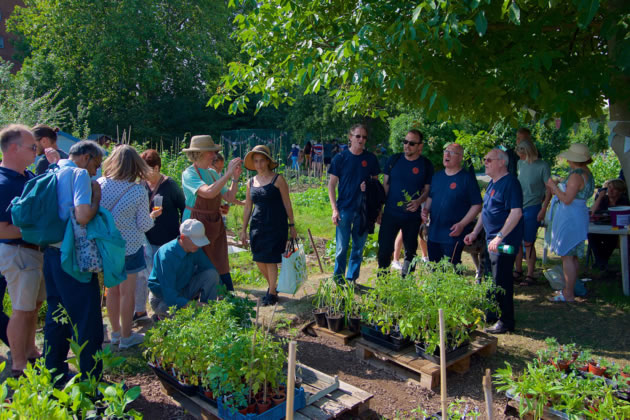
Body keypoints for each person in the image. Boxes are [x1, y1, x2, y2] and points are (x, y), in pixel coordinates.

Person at [43, 140, 105, 380]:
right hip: (72, 255)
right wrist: (96, 198)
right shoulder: (78, 174)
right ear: (87, 157)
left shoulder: (53, 168)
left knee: (56, 314)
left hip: (50, 252)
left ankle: (54, 371)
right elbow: (82, 216)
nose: (95, 172)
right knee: (87, 317)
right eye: (96, 165)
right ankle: (92, 377)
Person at [98, 145, 154, 349]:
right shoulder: (138, 191)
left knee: (111, 292)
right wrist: (153, 217)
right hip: (130, 247)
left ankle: (114, 334)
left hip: (107, 246)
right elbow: (143, 224)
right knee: (127, 293)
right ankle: (126, 335)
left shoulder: (100, 184)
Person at [0, 124, 45, 377]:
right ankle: (18, 365)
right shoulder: (3, 183)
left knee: (33, 306)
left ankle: (31, 352)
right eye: (32, 147)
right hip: (17, 253)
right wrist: (36, 231)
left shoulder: (25, 177)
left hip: (33, 252)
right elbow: (1, 230)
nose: (35, 151)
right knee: (21, 309)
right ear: (14, 148)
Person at [465, 148, 523, 334]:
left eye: (488, 159)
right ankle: (492, 313)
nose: (485, 162)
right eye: (484, 159)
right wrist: (475, 232)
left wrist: (500, 236)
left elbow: (516, 213)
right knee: (490, 278)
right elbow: (486, 211)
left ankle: (506, 321)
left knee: (501, 280)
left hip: (504, 242)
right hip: (490, 241)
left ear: (501, 162)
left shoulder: (511, 183)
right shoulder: (492, 183)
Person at [182, 135, 242, 292]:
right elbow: (207, 193)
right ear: (200, 153)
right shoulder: (189, 174)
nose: (215, 155)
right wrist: (227, 174)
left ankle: (227, 294)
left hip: (214, 222)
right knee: (198, 261)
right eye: (211, 152)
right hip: (195, 223)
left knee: (220, 259)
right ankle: (197, 298)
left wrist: (235, 179)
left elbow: (228, 197)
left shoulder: (212, 173)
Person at [240, 145, 297, 305]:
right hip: (257, 225)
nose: (259, 165)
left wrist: (292, 225)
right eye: (256, 161)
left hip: (276, 224)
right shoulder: (250, 182)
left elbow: (287, 203)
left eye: (261, 161)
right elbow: (247, 207)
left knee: (271, 259)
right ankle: (273, 286)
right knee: (258, 258)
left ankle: (272, 293)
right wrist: (243, 229)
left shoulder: (278, 179)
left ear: (268, 161)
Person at [134, 149, 186, 323]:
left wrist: (181, 231)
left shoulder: (169, 185)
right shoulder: (141, 185)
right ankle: (140, 311)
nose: (142, 174)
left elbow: (183, 206)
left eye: (145, 170)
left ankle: (162, 310)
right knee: (142, 276)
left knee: (163, 277)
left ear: (156, 168)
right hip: (145, 239)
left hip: (167, 239)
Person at [328, 124, 380, 282]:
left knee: (358, 247)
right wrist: (334, 210)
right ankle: (338, 280)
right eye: (358, 136)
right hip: (344, 209)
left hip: (363, 211)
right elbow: (331, 185)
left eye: (364, 137)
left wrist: (369, 185)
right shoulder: (340, 158)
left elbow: (376, 186)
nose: (361, 140)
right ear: (350, 137)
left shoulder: (370, 159)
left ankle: (351, 279)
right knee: (342, 247)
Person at [377, 129, 433, 276]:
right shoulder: (393, 160)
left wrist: (419, 201)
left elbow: (428, 190)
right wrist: (379, 209)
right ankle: (383, 283)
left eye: (412, 143)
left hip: (411, 217)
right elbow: (385, 186)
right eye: (405, 142)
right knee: (384, 250)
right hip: (390, 214)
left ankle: (405, 284)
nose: (407, 145)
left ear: (420, 147)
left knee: (411, 253)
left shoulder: (426, 165)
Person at [545, 144, 594, 302]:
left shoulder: (576, 175)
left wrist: (553, 187)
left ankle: (568, 293)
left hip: (571, 217)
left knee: (567, 255)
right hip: (578, 215)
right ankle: (571, 288)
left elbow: (566, 199)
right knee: (572, 256)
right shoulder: (587, 173)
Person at [422, 143, 482, 266]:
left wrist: (462, 224)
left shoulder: (467, 178)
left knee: (450, 270)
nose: (447, 154)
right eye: (446, 151)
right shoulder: (437, 176)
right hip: (434, 232)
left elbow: (477, 205)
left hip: (453, 234)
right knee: (434, 269)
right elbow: (431, 197)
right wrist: (426, 210)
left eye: (452, 152)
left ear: (460, 158)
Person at [148, 219, 220, 318]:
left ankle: (209, 313)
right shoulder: (167, 256)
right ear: (183, 237)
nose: (198, 245)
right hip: (162, 298)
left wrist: (222, 294)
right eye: (195, 241)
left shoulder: (194, 249)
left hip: (184, 290)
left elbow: (210, 269)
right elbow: (170, 297)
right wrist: (195, 305)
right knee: (186, 318)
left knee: (211, 274)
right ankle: (160, 316)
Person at [512, 139, 552, 285]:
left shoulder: (542, 166)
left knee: (528, 242)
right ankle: (517, 270)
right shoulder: (520, 164)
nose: (519, 157)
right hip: (518, 206)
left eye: (521, 154)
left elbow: (549, 189)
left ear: (527, 152)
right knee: (516, 241)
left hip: (533, 207)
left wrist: (543, 209)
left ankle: (530, 274)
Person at [589, 179, 630, 271]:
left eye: (614, 189)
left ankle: (600, 262)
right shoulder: (604, 199)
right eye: (609, 187)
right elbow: (592, 212)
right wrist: (599, 197)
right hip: (602, 227)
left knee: (612, 238)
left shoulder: (623, 201)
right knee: (591, 235)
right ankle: (602, 261)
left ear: (620, 191)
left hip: (615, 229)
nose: (610, 190)